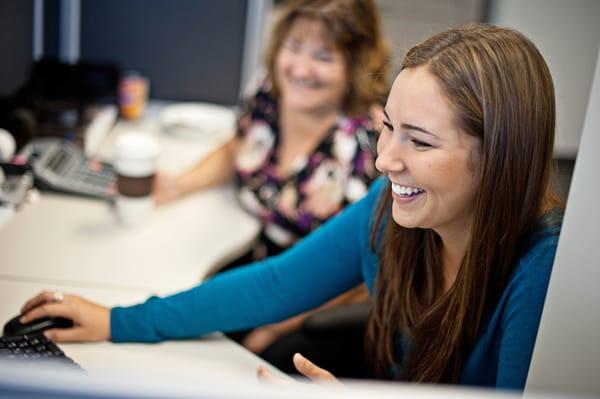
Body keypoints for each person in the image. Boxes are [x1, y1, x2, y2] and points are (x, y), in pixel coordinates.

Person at [20, 23, 563, 390]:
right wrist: (118, 321)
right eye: (388, 129)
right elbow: (275, 284)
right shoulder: (387, 212)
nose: (383, 162)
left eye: (419, 142)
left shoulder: (542, 274)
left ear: (500, 158)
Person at [153, 0, 390, 363]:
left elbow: (363, 278)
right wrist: (178, 185)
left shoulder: (371, 147)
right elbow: (240, 145)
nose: (299, 68)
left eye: (323, 57)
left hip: (318, 299)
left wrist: (275, 327)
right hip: (262, 264)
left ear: (354, 65)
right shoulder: (269, 92)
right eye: (293, 47)